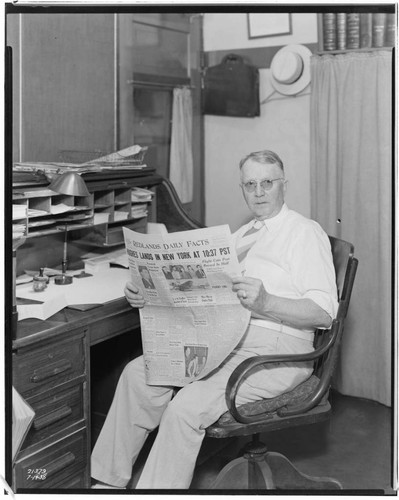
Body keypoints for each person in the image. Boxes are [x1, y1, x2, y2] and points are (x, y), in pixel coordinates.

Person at [91, 149, 338, 489]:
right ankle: (105, 483)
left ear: (284, 185)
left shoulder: (304, 233)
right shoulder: (242, 234)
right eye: (250, 184)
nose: (259, 191)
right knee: (138, 374)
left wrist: (267, 301)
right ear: (242, 189)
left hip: (276, 351)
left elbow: (325, 313)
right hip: (226, 339)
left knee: (185, 408)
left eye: (268, 182)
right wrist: (149, 292)